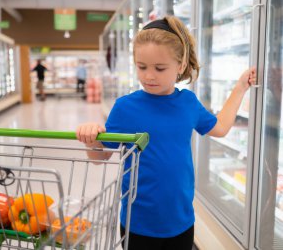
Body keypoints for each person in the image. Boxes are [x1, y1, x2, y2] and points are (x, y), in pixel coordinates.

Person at [76, 16, 256, 250]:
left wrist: (241, 86)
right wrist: (92, 139)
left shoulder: (188, 103)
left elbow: (220, 128)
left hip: (181, 221)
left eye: (160, 68)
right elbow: (100, 158)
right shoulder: (125, 107)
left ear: (180, 66)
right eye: (142, 67)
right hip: (137, 223)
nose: (149, 76)